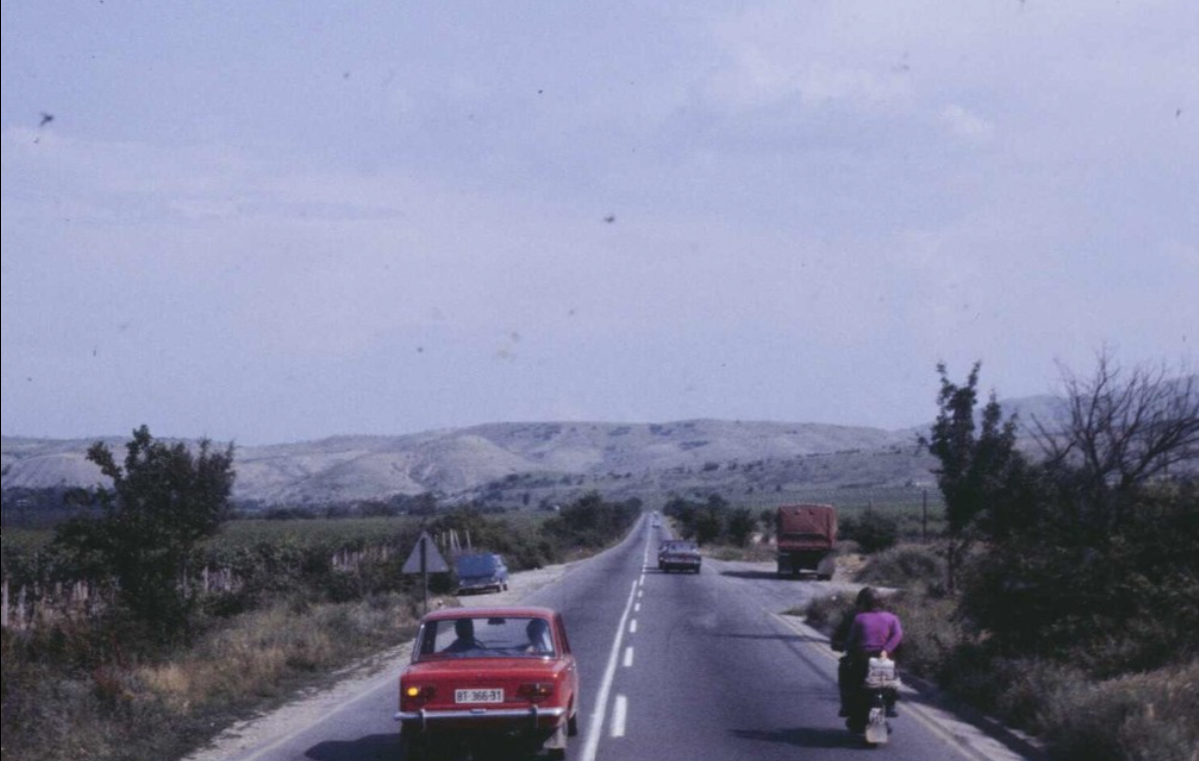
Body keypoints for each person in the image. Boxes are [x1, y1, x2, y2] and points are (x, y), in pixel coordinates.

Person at [833, 587, 903, 719]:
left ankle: (846, 704)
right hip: (883, 657)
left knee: (844, 671)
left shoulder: (856, 617)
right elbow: (898, 636)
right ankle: (891, 705)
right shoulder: (891, 617)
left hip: (860, 656)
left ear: (861, 602)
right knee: (893, 673)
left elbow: (849, 638)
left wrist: (844, 646)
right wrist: (887, 650)